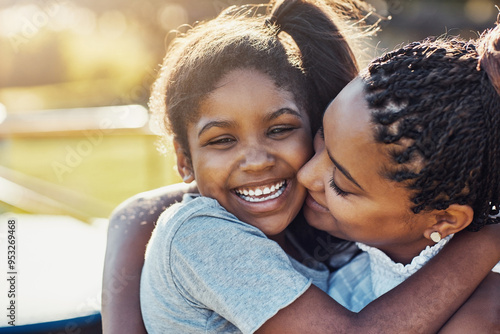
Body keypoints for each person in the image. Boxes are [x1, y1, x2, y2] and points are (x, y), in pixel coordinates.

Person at [101, 1, 500, 333]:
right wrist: (489, 236)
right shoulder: (201, 234)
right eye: (222, 139)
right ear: (183, 160)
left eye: (280, 129)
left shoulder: (330, 240)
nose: (257, 160)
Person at [297, 22, 500, 330]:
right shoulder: (349, 256)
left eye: (340, 184)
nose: (305, 175)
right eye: (322, 138)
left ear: (443, 220)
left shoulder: (481, 317)